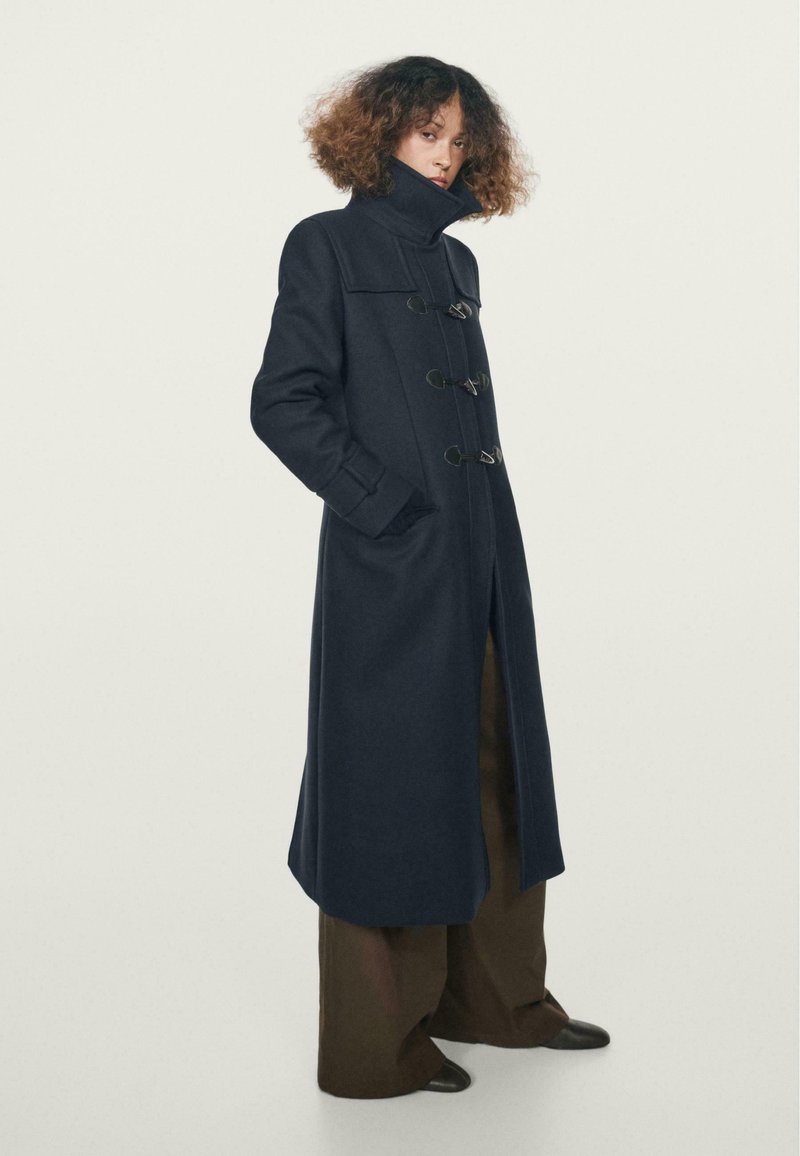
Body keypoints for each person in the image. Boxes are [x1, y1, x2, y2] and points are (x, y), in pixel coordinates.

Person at [250, 55, 609, 1098]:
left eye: (460, 137)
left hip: (483, 557)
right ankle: (381, 1045)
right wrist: (388, 509)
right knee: (392, 786)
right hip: (392, 566)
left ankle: (497, 1003)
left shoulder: (457, 264)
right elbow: (283, 401)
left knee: (495, 765)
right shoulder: (324, 244)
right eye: (427, 132)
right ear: (380, 133)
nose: (446, 154)